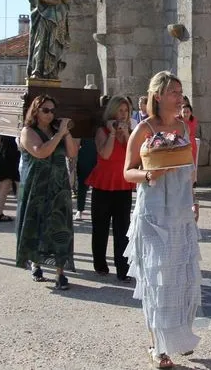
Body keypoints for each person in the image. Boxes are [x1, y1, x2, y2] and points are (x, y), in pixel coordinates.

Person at [123, 71, 202, 368]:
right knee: (156, 279)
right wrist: (148, 174)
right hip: (154, 211)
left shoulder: (183, 126)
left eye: (180, 91)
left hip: (180, 211)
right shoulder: (143, 129)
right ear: (158, 96)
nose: (179, 96)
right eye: (173, 92)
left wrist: (194, 200)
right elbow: (126, 171)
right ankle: (158, 347)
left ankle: (178, 336)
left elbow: (189, 170)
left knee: (180, 278)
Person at [16, 95, 78, 289]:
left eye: (52, 110)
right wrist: (59, 134)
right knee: (37, 226)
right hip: (37, 187)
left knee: (61, 228)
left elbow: (72, 153)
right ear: (36, 111)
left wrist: (66, 133)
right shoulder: (28, 131)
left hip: (59, 187)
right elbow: (41, 151)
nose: (50, 114)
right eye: (45, 110)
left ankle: (60, 272)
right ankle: (36, 263)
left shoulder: (57, 131)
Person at [87, 96, 135, 282]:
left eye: (126, 111)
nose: (123, 114)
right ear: (112, 111)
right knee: (100, 227)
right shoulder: (102, 130)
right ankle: (100, 264)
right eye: (120, 110)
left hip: (122, 183)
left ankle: (123, 269)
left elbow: (135, 155)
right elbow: (105, 154)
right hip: (103, 183)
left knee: (122, 229)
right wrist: (113, 134)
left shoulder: (130, 131)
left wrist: (126, 135)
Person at [26, 0, 74, 80]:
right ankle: (37, 70)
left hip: (58, 14)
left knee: (55, 42)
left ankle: (52, 71)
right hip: (43, 13)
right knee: (42, 41)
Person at [0, 135, 19, 222]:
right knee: (18, 183)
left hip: (1, 148)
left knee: (5, 182)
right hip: (14, 148)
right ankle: (21, 214)